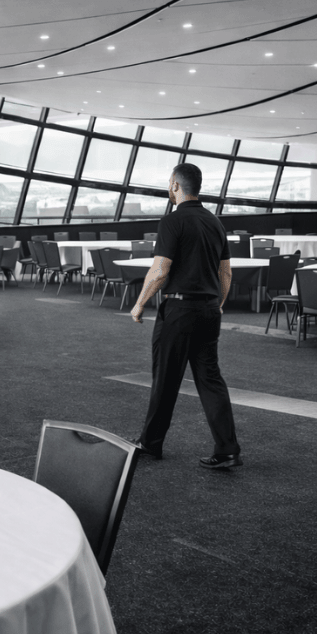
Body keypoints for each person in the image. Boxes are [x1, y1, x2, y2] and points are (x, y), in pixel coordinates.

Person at [128, 163, 241, 469]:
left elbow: (160, 270)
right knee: (210, 379)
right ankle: (228, 450)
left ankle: (150, 443)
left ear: (176, 186)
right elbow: (226, 273)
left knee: (165, 378)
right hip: (208, 311)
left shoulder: (172, 221)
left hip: (179, 311)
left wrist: (139, 304)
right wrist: (217, 304)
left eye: (170, 183)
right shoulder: (215, 223)